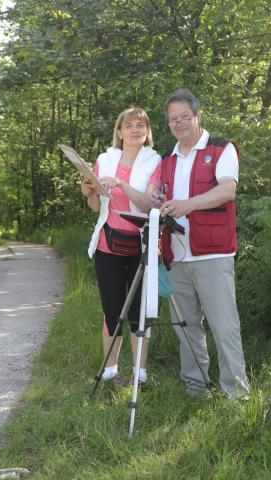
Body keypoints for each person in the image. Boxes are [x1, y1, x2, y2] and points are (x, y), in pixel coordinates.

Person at [155, 88, 250, 399]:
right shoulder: (167, 159)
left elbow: (227, 192)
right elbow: (161, 196)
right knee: (185, 327)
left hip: (213, 254)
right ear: (168, 124)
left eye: (185, 117)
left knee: (225, 328)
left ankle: (237, 396)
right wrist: (162, 202)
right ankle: (196, 390)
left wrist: (187, 204)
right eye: (173, 119)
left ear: (197, 117)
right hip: (177, 257)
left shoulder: (222, 150)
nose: (179, 123)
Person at [81, 107, 161, 389]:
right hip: (107, 245)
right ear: (119, 132)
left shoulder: (155, 161)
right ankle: (111, 372)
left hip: (141, 247)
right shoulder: (104, 159)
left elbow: (151, 205)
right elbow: (96, 207)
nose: (135, 130)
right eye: (129, 125)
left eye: (141, 125)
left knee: (140, 311)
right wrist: (89, 192)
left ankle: (140, 375)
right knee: (112, 310)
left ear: (147, 131)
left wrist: (121, 184)